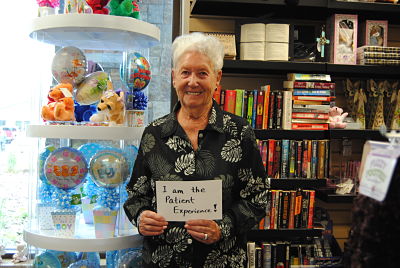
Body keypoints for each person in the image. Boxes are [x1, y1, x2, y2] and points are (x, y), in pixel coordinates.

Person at [124, 32, 269, 268]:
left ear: (217, 78)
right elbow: (135, 195)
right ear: (174, 78)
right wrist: (141, 217)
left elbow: (258, 197)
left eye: (202, 73)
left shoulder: (239, 132)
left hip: (222, 260)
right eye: (185, 72)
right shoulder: (154, 133)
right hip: (163, 260)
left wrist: (222, 227)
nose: (193, 82)